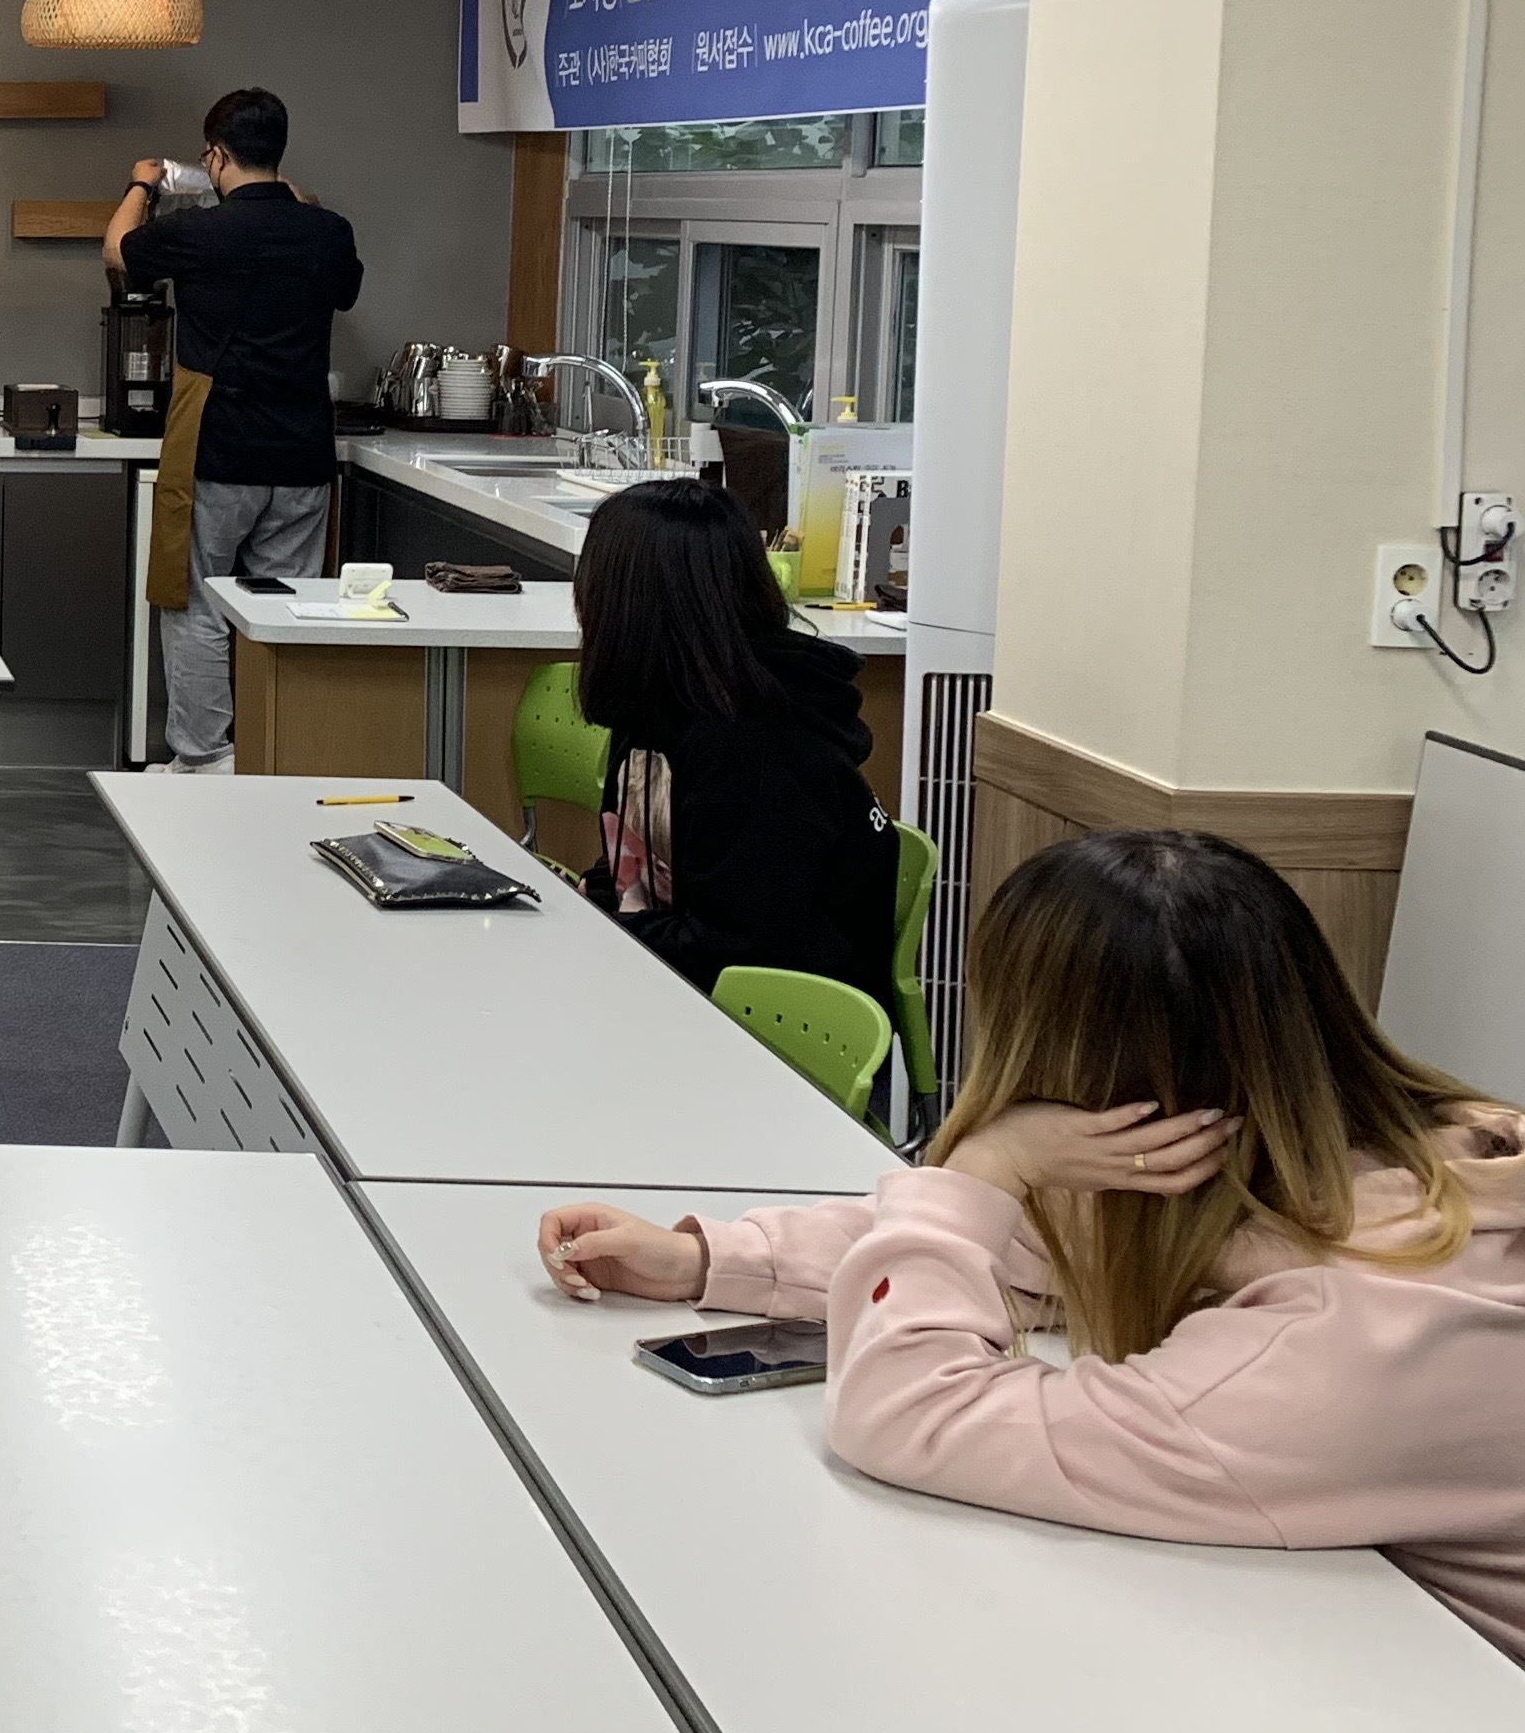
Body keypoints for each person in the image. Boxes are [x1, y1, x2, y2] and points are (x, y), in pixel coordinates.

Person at [535, 829, 1525, 1662]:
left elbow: (906, 1412)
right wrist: (716, 1262)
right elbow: (1049, 1242)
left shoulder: (1339, 1341)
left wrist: (989, 1163)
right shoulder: (1390, 1157)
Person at [101, 85, 363, 769]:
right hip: (303, 452)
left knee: (196, 604)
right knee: (287, 610)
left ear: (215, 157)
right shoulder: (327, 231)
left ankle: (204, 759)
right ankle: (276, 754)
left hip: (217, 446)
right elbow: (343, 286)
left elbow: (119, 251)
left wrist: (141, 183)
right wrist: (298, 200)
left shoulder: (201, 231)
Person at [569, 475, 894, 993]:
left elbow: (733, 951)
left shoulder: (756, 751)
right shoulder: (659, 706)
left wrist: (603, 928)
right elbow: (632, 868)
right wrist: (596, 904)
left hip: (767, 1023)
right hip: (673, 989)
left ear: (629, 606)